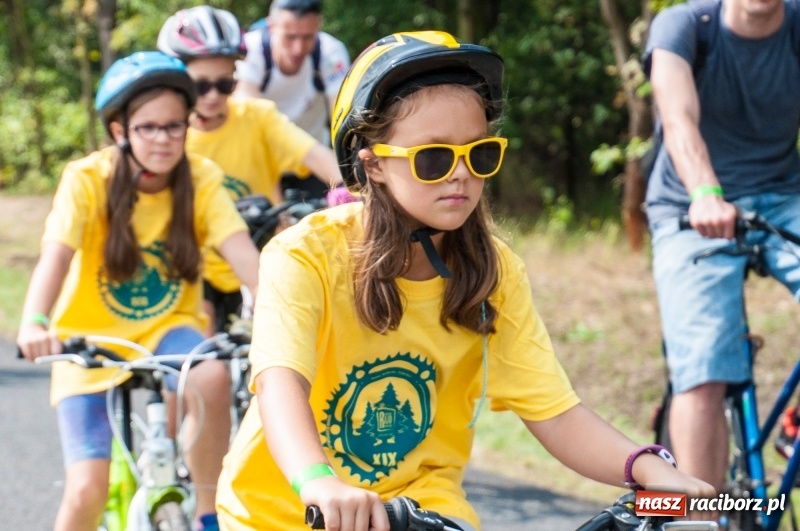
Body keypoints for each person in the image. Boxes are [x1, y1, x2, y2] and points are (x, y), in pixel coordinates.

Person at [215, 31, 714, 530]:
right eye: (433, 158)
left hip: (424, 506)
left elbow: (555, 413)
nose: (460, 174)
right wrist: (319, 483)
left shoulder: (494, 270)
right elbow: (280, 384)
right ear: (374, 165)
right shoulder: (304, 256)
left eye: (479, 155)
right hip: (284, 512)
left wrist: (649, 469)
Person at [15, 51, 260, 531]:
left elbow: (246, 259)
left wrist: (279, 318)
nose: (164, 139)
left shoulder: (202, 179)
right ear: (119, 131)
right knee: (87, 490)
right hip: (87, 344)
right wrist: (34, 322)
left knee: (210, 375)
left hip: (170, 332)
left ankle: (208, 514)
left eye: (174, 126)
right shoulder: (87, 180)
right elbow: (56, 257)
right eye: (148, 127)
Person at [643, 0, 800, 493]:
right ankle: (701, 517)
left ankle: (793, 428)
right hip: (692, 206)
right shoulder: (685, 26)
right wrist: (707, 193)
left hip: (783, 197)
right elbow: (679, 117)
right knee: (704, 366)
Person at [157, 5, 345, 335]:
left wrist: (350, 186)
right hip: (192, 267)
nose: (213, 96)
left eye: (225, 83)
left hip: (259, 262)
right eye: (200, 86)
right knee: (194, 366)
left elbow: (314, 154)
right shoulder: (165, 137)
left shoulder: (257, 117)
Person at [235, 0, 350, 200]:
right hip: (265, 164)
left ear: (318, 26)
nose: (298, 48)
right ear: (271, 27)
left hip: (313, 161)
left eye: (308, 37)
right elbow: (247, 112)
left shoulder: (330, 53)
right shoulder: (250, 50)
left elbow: (342, 119)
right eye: (290, 37)